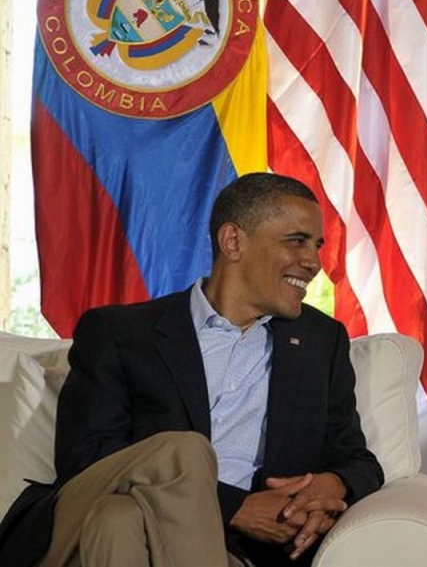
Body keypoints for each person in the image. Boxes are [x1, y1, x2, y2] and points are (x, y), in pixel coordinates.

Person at [0, 172, 384, 566]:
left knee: (118, 520)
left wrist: (330, 483)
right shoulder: (121, 332)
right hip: (77, 521)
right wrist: (232, 505)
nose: (313, 262)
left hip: (226, 551)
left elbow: (356, 458)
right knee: (182, 452)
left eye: (317, 245)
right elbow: (86, 457)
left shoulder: (322, 342)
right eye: (297, 241)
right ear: (233, 241)